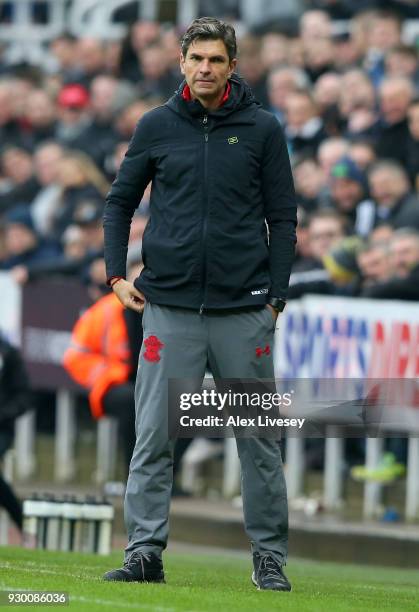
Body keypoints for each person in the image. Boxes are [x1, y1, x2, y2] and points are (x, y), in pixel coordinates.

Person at [102, 17, 297, 592]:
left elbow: (282, 216)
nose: (206, 69)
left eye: (216, 60)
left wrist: (277, 295)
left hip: (245, 310)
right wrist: (116, 275)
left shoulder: (262, 128)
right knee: (153, 435)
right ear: (181, 62)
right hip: (171, 308)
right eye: (197, 59)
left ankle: (269, 558)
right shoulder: (155, 125)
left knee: (258, 443)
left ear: (233, 65)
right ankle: (144, 553)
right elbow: (119, 204)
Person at [0, 333, 32, 534]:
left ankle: (23, 524)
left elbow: (24, 397)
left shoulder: (9, 354)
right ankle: (24, 524)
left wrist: (3, 414)